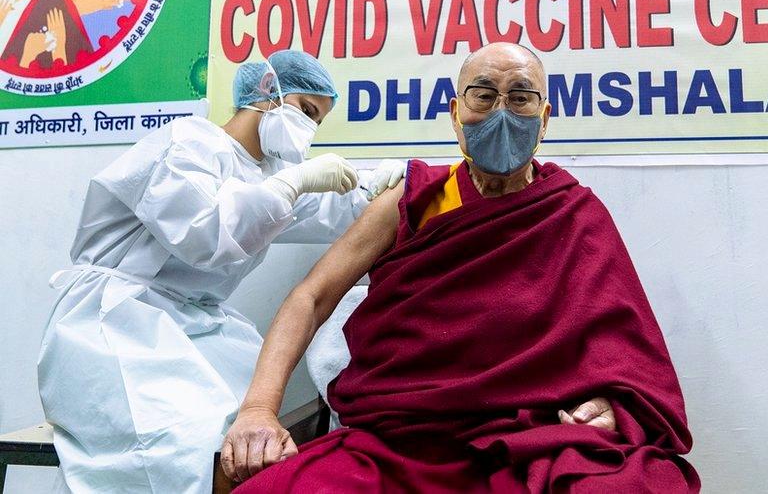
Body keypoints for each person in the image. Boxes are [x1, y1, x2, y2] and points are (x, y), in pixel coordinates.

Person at [221, 43, 699, 493]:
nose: (501, 113)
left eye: (521, 98)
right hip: (401, 443)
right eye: (484, 96)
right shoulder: (412, 201)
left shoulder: (571, 213)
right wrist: (260, 408)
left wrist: (607, 408)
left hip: (533, 439)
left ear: (545, 118)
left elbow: (624, 354)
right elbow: (312, 296)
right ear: (455, 113)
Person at [37, 49, 406, 493]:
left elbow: (333, 205)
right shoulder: (187, 142)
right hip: (114, 324)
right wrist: (293, 183)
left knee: (263, 429)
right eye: (306, 110)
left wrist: (392, 183)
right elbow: (203, 234)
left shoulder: (270, 173)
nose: (309, 128)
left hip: (193, 325)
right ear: (269, 92)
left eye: (318, 120)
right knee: (179, 445)